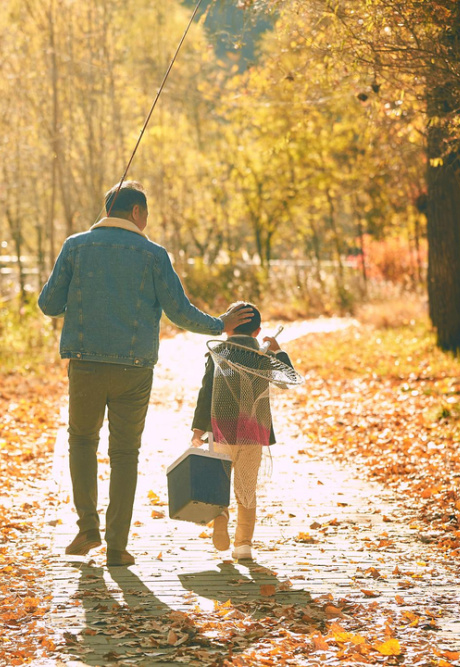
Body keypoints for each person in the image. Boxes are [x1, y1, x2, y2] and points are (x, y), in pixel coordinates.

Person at [38, 181, 253, 567]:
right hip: (134, 370)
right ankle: (117, 547)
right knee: (124, 453)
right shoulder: (154, 254)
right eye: (146, 215)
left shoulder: (75, 246)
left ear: (107, 210)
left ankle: (88, 526)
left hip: (86, 364)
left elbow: (49, 305)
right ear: (137, 213)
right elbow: (179, 311)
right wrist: (220, 324)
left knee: (82, 442)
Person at [190, 301, 294, 561]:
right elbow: (287, 380)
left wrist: (197, 430)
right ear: (257, 332)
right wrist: (278, 352)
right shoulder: (262, 356)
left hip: (221, 428)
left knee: (219, 483)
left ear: (227, 328)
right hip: (253, 432)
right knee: (246, 490)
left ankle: (221, 514)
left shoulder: (218, 354)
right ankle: (243, 546)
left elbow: (206, 394)